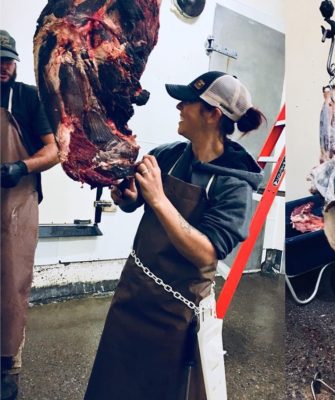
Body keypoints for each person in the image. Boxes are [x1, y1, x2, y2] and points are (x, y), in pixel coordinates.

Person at [84, 71, 265, 399]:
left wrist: (158, 198)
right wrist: (129, 198)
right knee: (111, 384)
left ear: (212, 114)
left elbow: (207, 253)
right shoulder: (168, 155)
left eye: (188, 102)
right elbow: (136, 201)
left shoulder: (233, 183)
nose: (179, 106)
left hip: (177, 311)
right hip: (134, 293)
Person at [0, 30, 59, 400]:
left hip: (16, 203)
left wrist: (21, 167)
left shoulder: (27, 97)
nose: (3, 67)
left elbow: (54, 151)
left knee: (11, 286)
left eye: (8, 60)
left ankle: (8, 369)